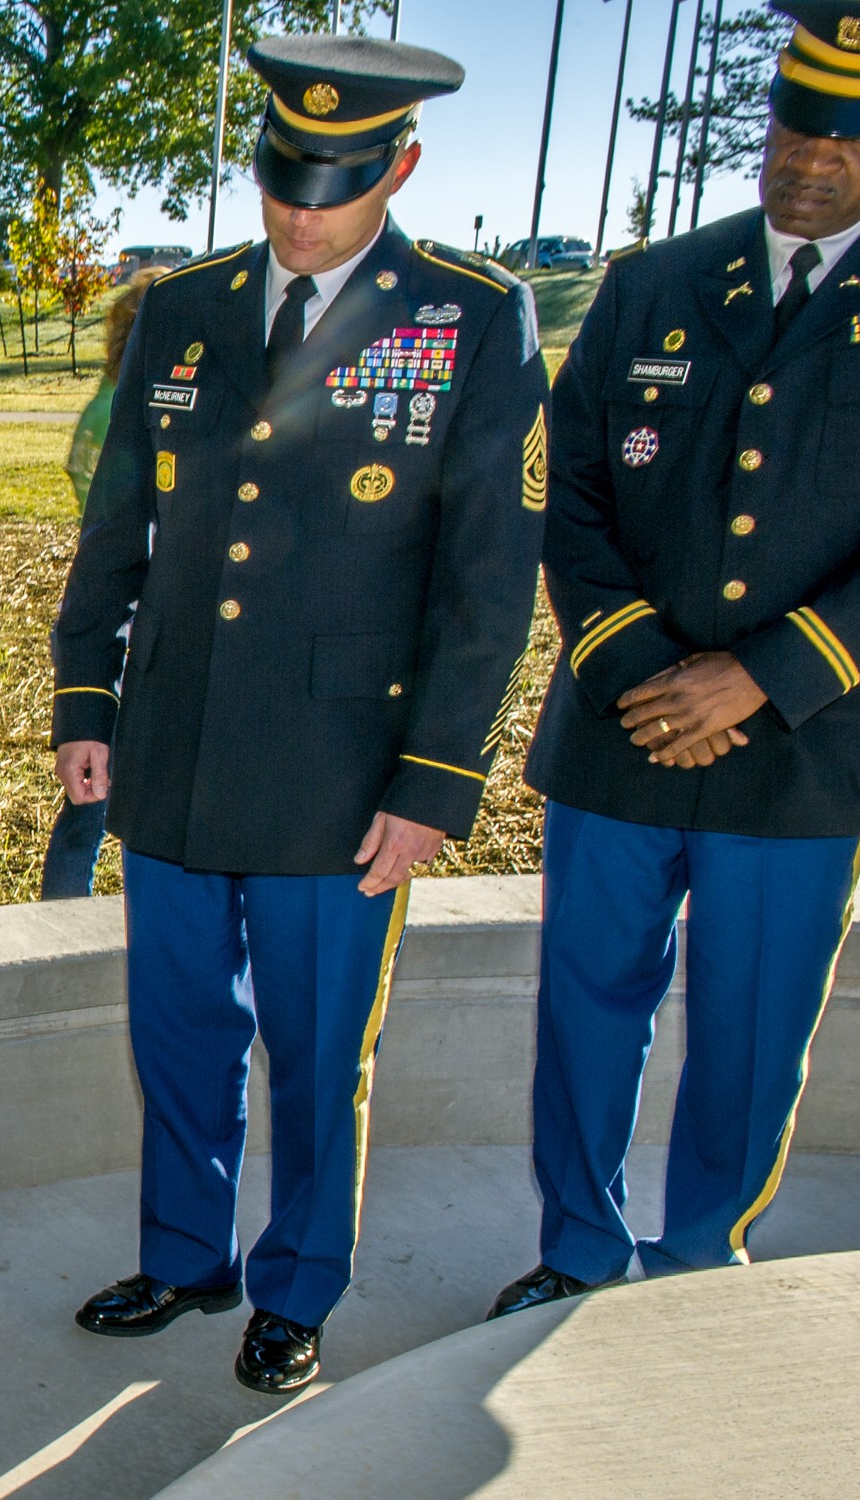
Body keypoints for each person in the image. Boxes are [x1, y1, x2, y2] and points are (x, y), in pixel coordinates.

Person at [51, 34, 549, 1394]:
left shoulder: (467, 316)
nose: (294, 211)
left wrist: (435, 780)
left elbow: (487, 583)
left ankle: (298, 1282)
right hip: (172, 749)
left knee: (320, 1050)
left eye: (327, 186)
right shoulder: (185, 305)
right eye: (279, 178)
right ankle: (185, 1257)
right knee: (178, 1031)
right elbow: (118, 531)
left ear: (401, 165)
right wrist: (86, 694)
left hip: (345, 770)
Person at [489, 0, 860, 1320]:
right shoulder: (657, 282)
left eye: (848, 136)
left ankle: (694, 1271)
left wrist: (769, 673)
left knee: (751, 1027)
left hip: (806, 745)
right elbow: (562, 485)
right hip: (622, 729)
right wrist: (633, 665)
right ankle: (578, 1249)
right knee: (585, 1009)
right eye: (796, 123)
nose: (810, 156)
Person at [40, 268, 165, 901]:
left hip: (115, 619)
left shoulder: (108, 401)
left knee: (91, 796)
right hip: (126, 628)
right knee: (93, 794)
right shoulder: (131, 412)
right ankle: (64, 913)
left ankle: (66, 906)